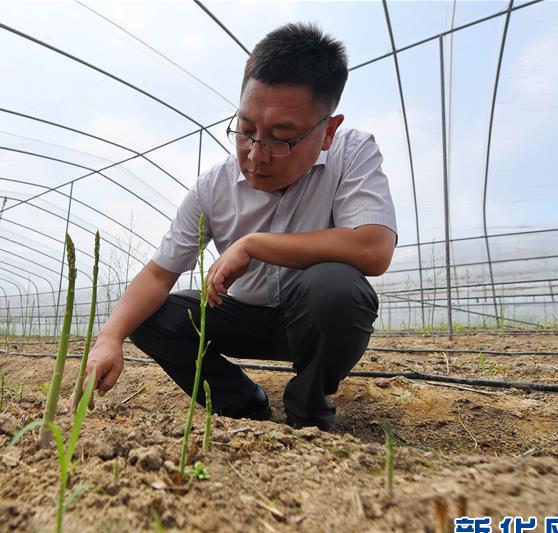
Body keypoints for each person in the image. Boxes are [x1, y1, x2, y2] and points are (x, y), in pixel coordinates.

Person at [85, 22, 397, 431]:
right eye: (246, 131)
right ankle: (242, 403)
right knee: (146, 314)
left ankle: (309, 409)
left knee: (335, 287)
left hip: (309, 318)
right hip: (238, 316)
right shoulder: (213, 186)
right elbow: (160, 273)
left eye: (281, 139)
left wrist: (255, 244)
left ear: (327, 132)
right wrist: (110, 337)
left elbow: (373, 249)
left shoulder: (352, 152)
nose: (255, 155)